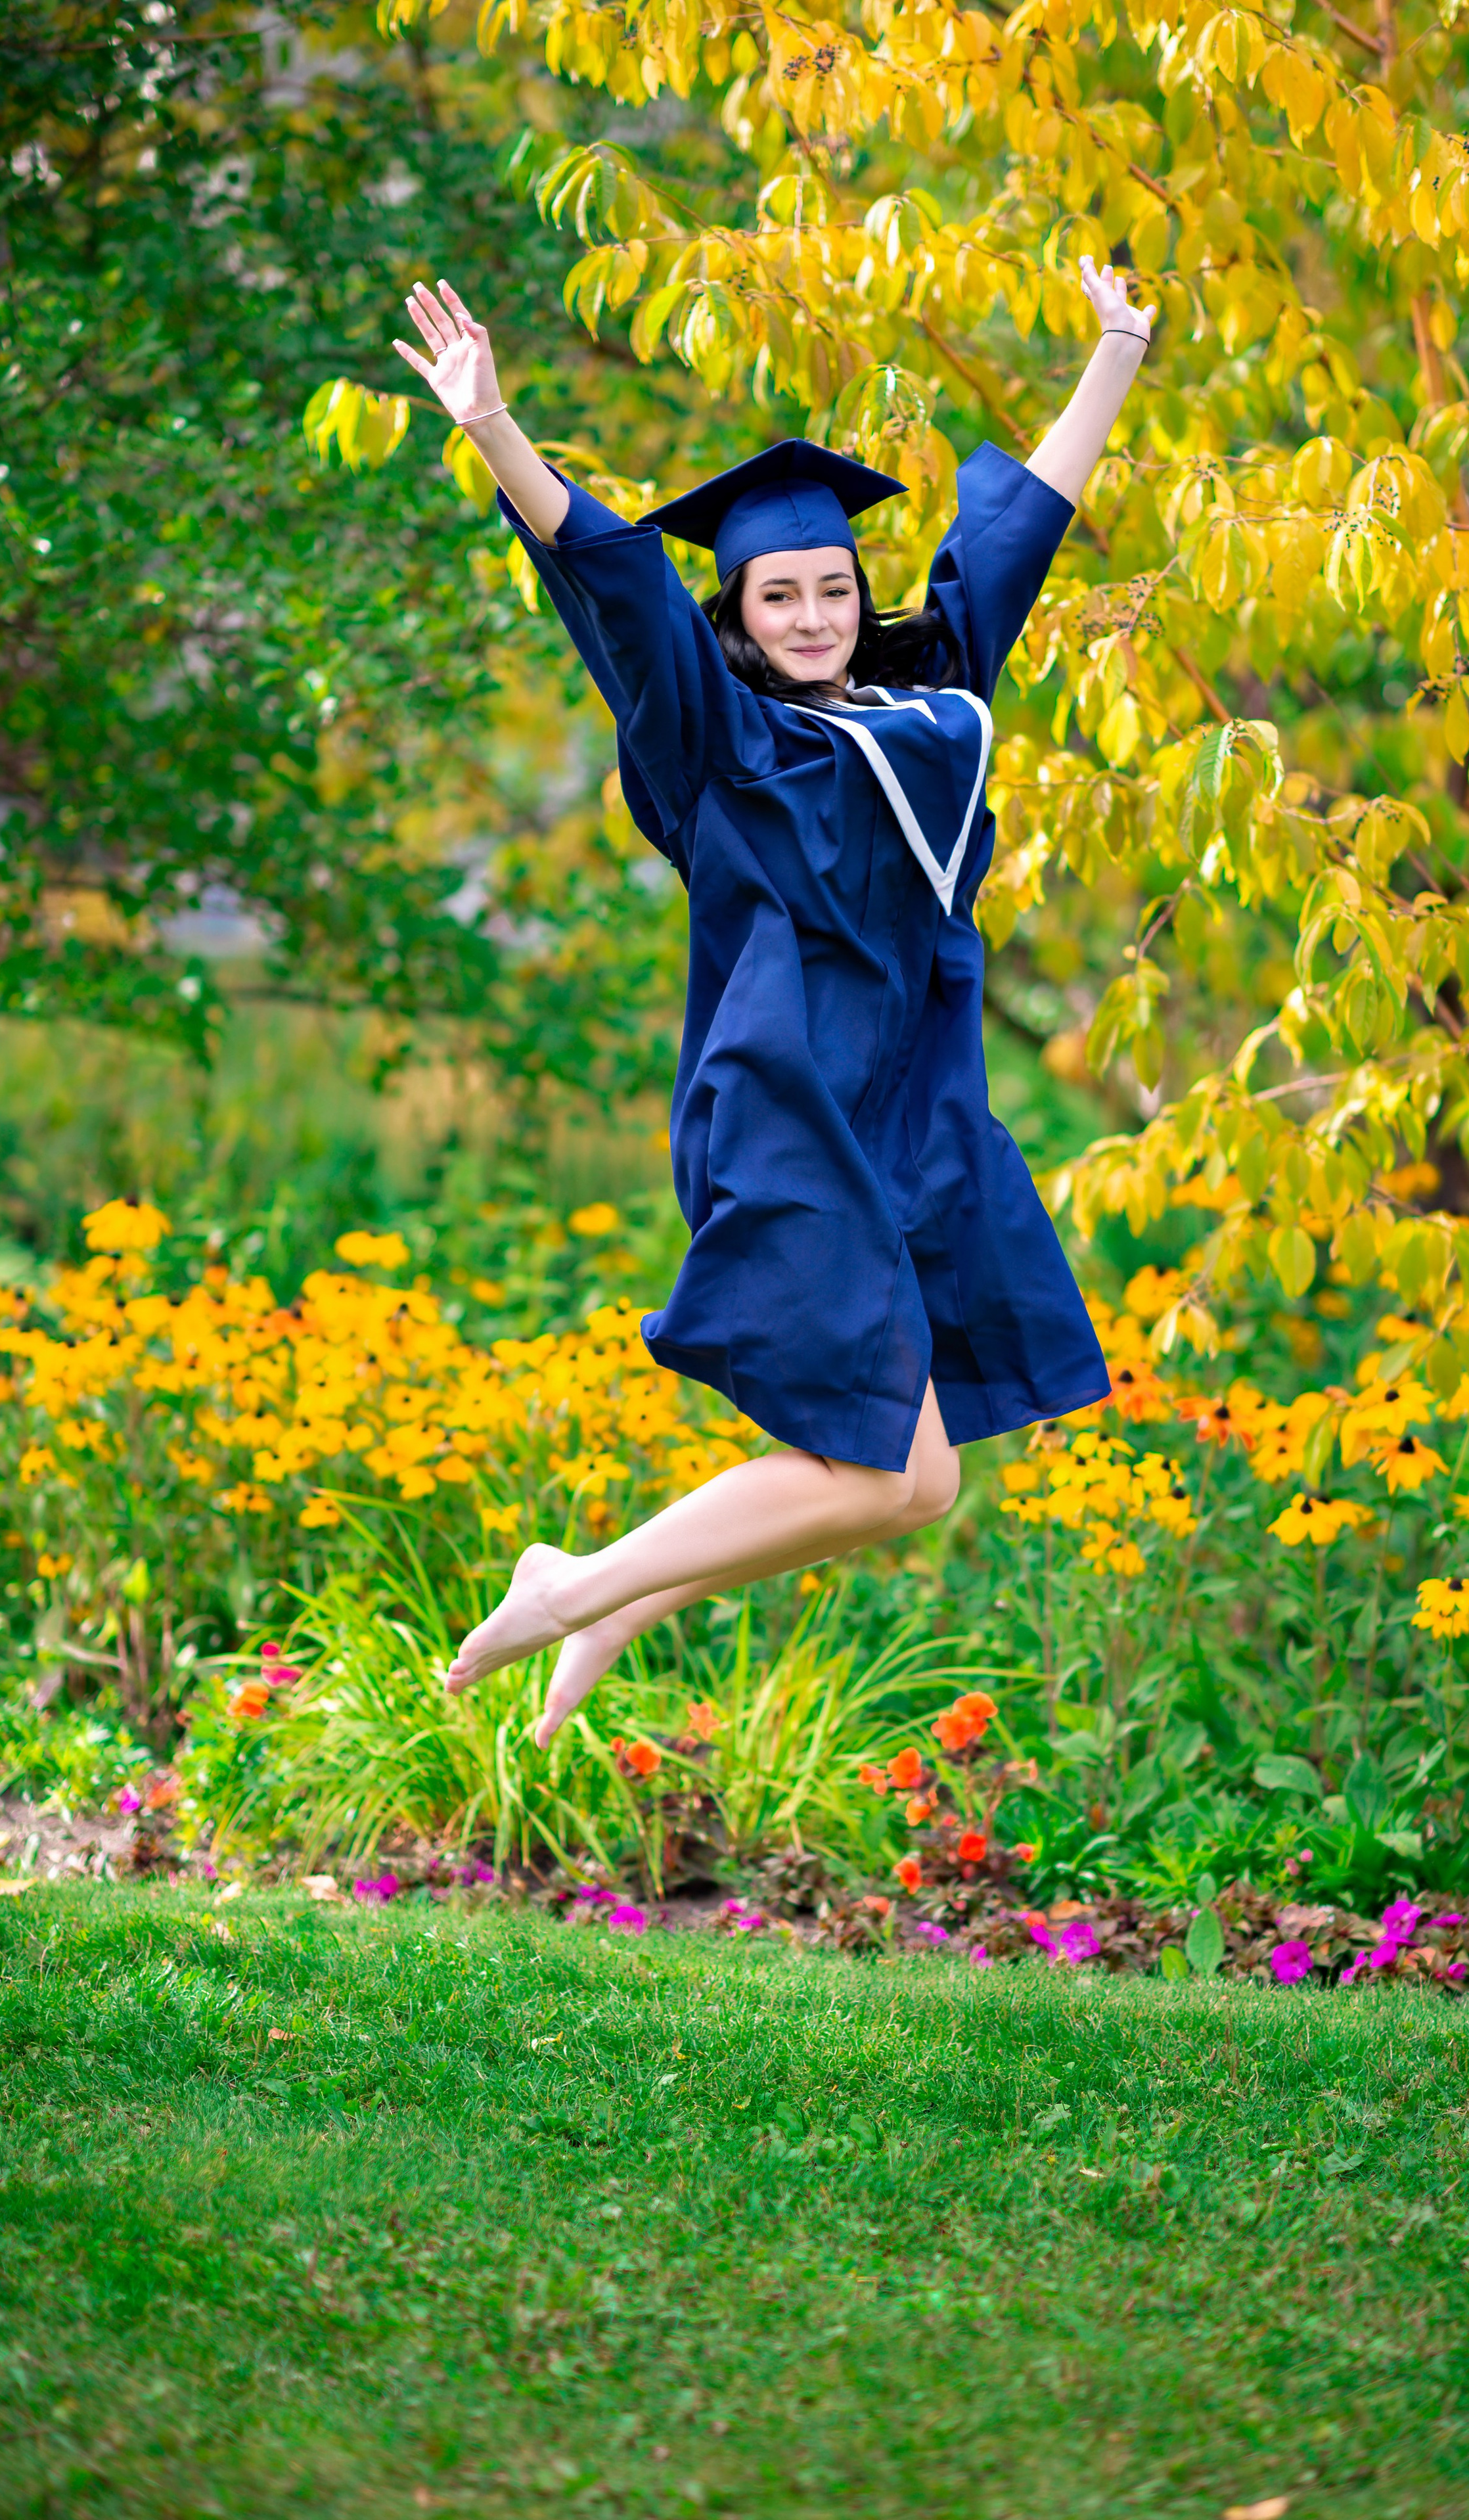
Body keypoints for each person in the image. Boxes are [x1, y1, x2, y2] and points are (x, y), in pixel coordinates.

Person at [392, 260, 1155, 1740]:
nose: (810, 614)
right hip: (785, 1109)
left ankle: (604, 1587)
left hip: (911, 1117)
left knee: (916, 1482)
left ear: (857, 596)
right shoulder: (712, 734)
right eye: (776, 593)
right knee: (883, 1469)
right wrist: (493, 428)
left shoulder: (925, 709)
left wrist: (1116, 350)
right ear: (738, 607)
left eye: (830, 587)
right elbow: (614, 582)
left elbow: (1016, 536)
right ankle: (571, 1584)